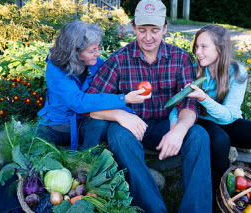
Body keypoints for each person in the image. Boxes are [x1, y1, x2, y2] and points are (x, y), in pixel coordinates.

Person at [86, 0, 212, 212]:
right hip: (132, 128)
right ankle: (153, 209)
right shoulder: (119, 60)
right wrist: (119, 114)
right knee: (117, 132)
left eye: (154, 30)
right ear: (134, 28)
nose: (148, 37)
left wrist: (179, 130)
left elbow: (189, 102)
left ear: (164, 28)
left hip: (166, 126)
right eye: (142, 30)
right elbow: (90, 102)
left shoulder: (179, 58)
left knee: (199, 134)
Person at [169, 24, 251, 189]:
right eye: (197, 46)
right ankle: (219, 190)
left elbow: (228, 117)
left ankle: (250, 188)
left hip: (228, 119)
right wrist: (175, 124)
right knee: (220, 140)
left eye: (204, 47)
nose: (197, 52)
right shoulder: (192, 71)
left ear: (220, 48)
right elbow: (177, 104)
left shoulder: (237, 72)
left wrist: (203, 97)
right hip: (200, 120)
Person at [36, 20, 149, 151]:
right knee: (30, 147)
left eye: (98, 48)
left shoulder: (96, 63)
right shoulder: (55, 69)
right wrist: (124, 99)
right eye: (92, 50)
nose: (98, 53)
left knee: (100, 123)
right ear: (74, 53)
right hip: (57, 126)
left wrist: (130, 114)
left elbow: (111, 92)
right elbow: (77, 102)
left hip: (85, 124)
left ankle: (87, 163)